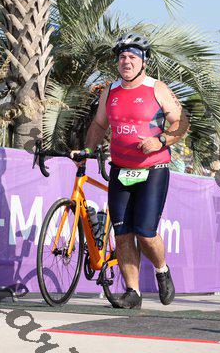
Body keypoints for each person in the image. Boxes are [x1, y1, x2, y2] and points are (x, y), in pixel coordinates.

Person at [72, 33, 189, 309]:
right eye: (122, 57)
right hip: (120, 170)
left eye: (133, 57)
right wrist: (87, 150)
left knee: (145, 233)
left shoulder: (157, 88)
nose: (126, 61)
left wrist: (160, 140)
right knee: (122, 233)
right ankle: (132, 291)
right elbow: (99, 125)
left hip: (153, 169)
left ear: (144, 62)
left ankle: (161, 269)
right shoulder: (110, 91)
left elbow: (181, 123)